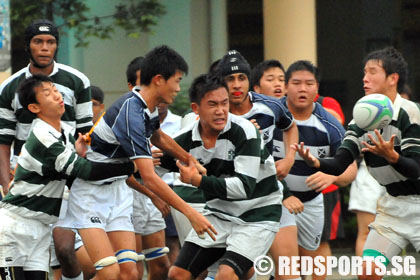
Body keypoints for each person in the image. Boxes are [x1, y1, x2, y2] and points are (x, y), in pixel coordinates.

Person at [58, 45, 216, 280]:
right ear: (159, 80)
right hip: (91, 195)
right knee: (109, 273)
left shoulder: (146, 106)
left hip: (118, 192)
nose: (178, 88)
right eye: (177, 80)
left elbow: (158, 136)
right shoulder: (131, 113)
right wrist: (191, 213)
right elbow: (150, 177)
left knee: (130, 273)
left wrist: (189, 158)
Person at [292, 47, 420, 280]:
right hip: (393, 207)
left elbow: (416, 169)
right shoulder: (362, 118)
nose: (364, 78)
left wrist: (393, 157)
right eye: (364, 72)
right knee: (367, 273)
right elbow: (340, 163)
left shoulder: (411, 112)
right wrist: (315, 162)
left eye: (372, 72)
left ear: (393, 78)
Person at [0, 75, 134, 280]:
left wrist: (75, 151)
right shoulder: (42, 137)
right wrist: (133, 165)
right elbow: (86, 171)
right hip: (15, 227)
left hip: (41, 229)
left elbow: (73, 167)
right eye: (47, 93)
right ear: (34, 108)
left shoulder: (65, 133)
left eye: (55, 89)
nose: (57, 95)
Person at [165, 73, 283, 280]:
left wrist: (197, 181)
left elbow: (243, 189)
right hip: (218, 214)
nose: (220, 111)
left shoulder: (245, 131)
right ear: (196, 109)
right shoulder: (182, 140)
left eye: (224, 103)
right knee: (177, 274)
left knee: (226, 275)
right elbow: (146, 169)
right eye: (212, 104)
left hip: (257, 215)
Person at [0, 19, 93, 280]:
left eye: (50, 42)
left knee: (64, 249)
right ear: (28, 46)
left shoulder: (77, 81)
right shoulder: (10, 87)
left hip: (69, 175)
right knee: (27, 257)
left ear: (57, 46)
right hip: (27, 182)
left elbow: (86, 133)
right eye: (38, 42)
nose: (44, 48)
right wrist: (6, 182)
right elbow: (3, 139)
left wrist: (81, 157)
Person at [126, 56, 173, 280]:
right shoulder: (124, 115)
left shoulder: (151, 116)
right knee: (132, 271)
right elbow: (120, 171)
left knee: (162, 265)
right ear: (131, 87)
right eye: (141, 83)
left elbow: (160, 139)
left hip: (153, 194)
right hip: (130, 197)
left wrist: (187, 158)